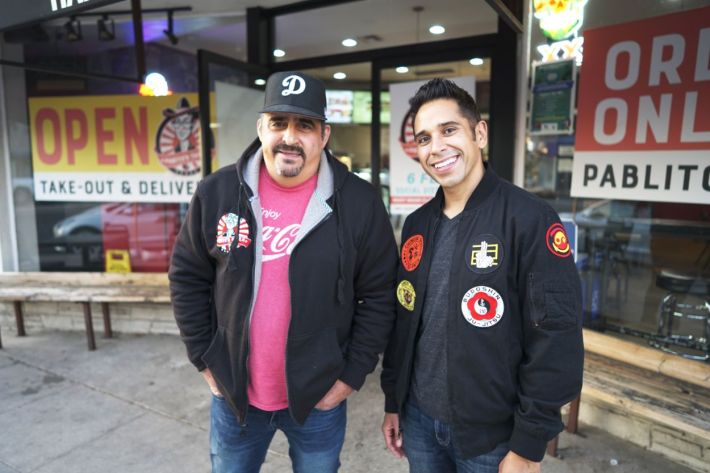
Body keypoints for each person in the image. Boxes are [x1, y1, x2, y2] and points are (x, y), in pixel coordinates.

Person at [169, 71, 398, 473]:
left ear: (324, 135)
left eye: (304, 125)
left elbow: (379, 295)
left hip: (319, 400)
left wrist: (350, 377)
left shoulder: (360, 203)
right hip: (235, 396)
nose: (289, 137)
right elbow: (187, 277)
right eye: (278, 123)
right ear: (261, 128)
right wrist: (205, 362)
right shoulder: (217, 192)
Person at [380, 78, 584, 473]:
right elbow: (404, 324)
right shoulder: (417, 224)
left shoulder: (529, 219)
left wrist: (528, 445)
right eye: (424, 138)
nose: (436, 147)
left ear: (480, 134)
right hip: (420, 422)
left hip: (494, 436)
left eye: (449, 130)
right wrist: (394, 400)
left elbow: (556, 336)